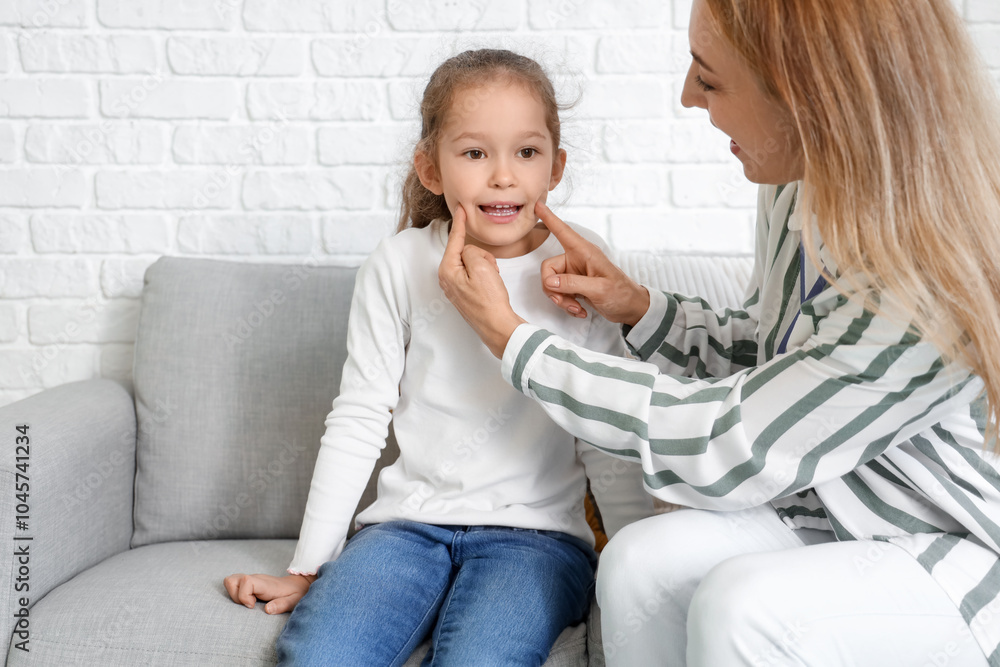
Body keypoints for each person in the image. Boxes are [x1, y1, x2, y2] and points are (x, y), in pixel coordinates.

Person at [438, 1, 1000, 665]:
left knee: (744, 608)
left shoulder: (926, 283)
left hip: (949, 545)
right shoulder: (798, 183)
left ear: (804, 96)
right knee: (639, 562)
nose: (687, 94)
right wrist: (639, 309)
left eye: (709, 78)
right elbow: (779, 362)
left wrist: (513, 340)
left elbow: (729, 439)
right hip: (832, 510)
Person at [223, 48, 653, 666]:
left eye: (526, 152)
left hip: (538, 542)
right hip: (404, 530)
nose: (502, 176)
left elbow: (606, 426)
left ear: (555, 167)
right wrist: (307, 567)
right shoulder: (399, 263)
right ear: (431, 168)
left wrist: (635, 569)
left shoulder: (580, 265)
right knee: (319, 657)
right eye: (475, 153)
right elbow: (359, 418)